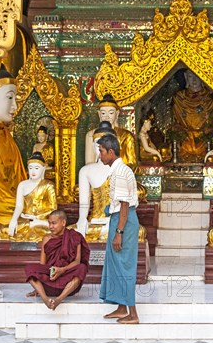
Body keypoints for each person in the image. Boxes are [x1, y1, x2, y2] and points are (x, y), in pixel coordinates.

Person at [97, 133, 140, 324]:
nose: (99, 156)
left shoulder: (121, 172)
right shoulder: (118, 170)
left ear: (111, 152)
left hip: (124, 221)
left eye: (101, 151)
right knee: (116, 263)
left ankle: (133, 314)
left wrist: (119, 233)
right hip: (119, 219)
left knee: (124, 266)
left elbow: (124, 205)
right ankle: (122, 308)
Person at [0, 65, 28, 235]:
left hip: (14, 203)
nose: (14, 106)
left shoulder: (6, 136)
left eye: (15, 99)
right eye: (10, 98)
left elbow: (20, 179)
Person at [24, 210, 90, 310]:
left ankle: (59, 299)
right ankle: (45, 298)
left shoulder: (74, 237)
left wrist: (62, 270)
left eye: (54, 223)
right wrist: (39, 285)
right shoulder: (46, 238)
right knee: (29, 268)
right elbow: (43, 264)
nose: (50, 227)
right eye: (49, 223)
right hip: (50, 278)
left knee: (82, 267)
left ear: (63, 223)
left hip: (68, 283)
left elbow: (77, 261)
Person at [171, 69, 213, 162]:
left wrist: (209, 130)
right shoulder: (179, 98)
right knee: (184, 143)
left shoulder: (211, 98)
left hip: (204, 137)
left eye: (197, 77)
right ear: (186, 78)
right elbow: (176, 122)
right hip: (186, 137)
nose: (194, 80)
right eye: (190, 77)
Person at [5, 152, 57, 242]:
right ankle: (32, 225)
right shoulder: (22, 185)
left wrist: (37, 217)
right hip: (26, 221)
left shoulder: (48, 185)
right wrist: (14, 219)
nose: (33, 171)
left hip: (43, 220)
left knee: (47, 231)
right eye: (30, 168)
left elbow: (53, 208)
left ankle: (37, 224)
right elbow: (19, 206)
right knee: (4, 230)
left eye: (37, 168)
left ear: (43, 169)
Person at [84, 94, 137, 169]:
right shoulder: (91, 134)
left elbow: (131, 164)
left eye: (111, 113)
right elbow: (89, 164)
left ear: (117, 113)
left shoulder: (126, 136)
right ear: (99, 114)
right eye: (103, 113)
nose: (107, 116)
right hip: (97, 176)